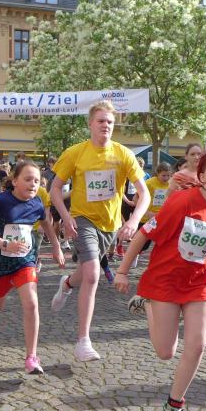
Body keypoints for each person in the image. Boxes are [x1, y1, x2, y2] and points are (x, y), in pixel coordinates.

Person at [115, 148, 206, 411]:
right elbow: (144, 235)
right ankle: (147, 304)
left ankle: (174, 406)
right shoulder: (182, 202)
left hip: (199, 283)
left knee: (197, 345)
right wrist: (122, 271)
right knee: (165, 352)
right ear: (202, 176)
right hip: (165, 281)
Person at [49, 100, 149, 361]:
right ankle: (83, 341)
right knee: (93, 273)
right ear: (90, 124)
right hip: (82, 219)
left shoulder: (123, 154)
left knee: (86, 271)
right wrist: (65, 217)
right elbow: (55, 189)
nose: (106, 125)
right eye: (101, 120)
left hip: (110, 224)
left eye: (110, 122)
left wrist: (133, 221)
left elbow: (144, 194)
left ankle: (67, 284)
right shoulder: (75, 153)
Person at [0, 162, 65, 374]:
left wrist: (56, 247)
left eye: (37, 181)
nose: (33, 184)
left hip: (25, 260)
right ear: (14, 181)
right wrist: (5, 244)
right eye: (27, 179)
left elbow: (46, 223)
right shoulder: (0, 201)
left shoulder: (37, 203)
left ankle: (31, 357)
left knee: (31, 303)